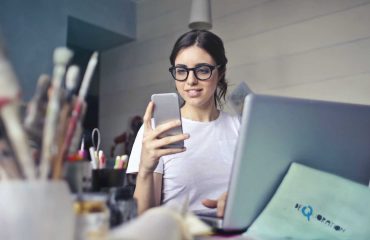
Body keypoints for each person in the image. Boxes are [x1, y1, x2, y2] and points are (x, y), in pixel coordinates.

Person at [126, 29, 240, 217]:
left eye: (203, 70)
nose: (191, 80)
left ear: (220, 73)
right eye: (181, 71)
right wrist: (145, 169)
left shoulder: (241, 127)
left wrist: (239, 202)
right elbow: (144, 218)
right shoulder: (157, 131)